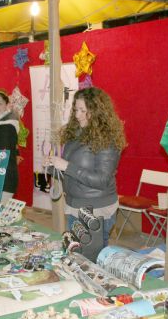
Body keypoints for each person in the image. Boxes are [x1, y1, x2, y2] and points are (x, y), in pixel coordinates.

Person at [46, 87, 127, 247]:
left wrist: (67, 166)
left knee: (91, 261)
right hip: (74, 206)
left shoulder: (107, 138)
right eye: (76, 109)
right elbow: (72, 175)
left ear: (97, 111)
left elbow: (102, 180)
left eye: (83, 111)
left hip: (97, 210)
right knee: (78, 257)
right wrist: (52, 167)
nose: (77, 115)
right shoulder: (75, 134)